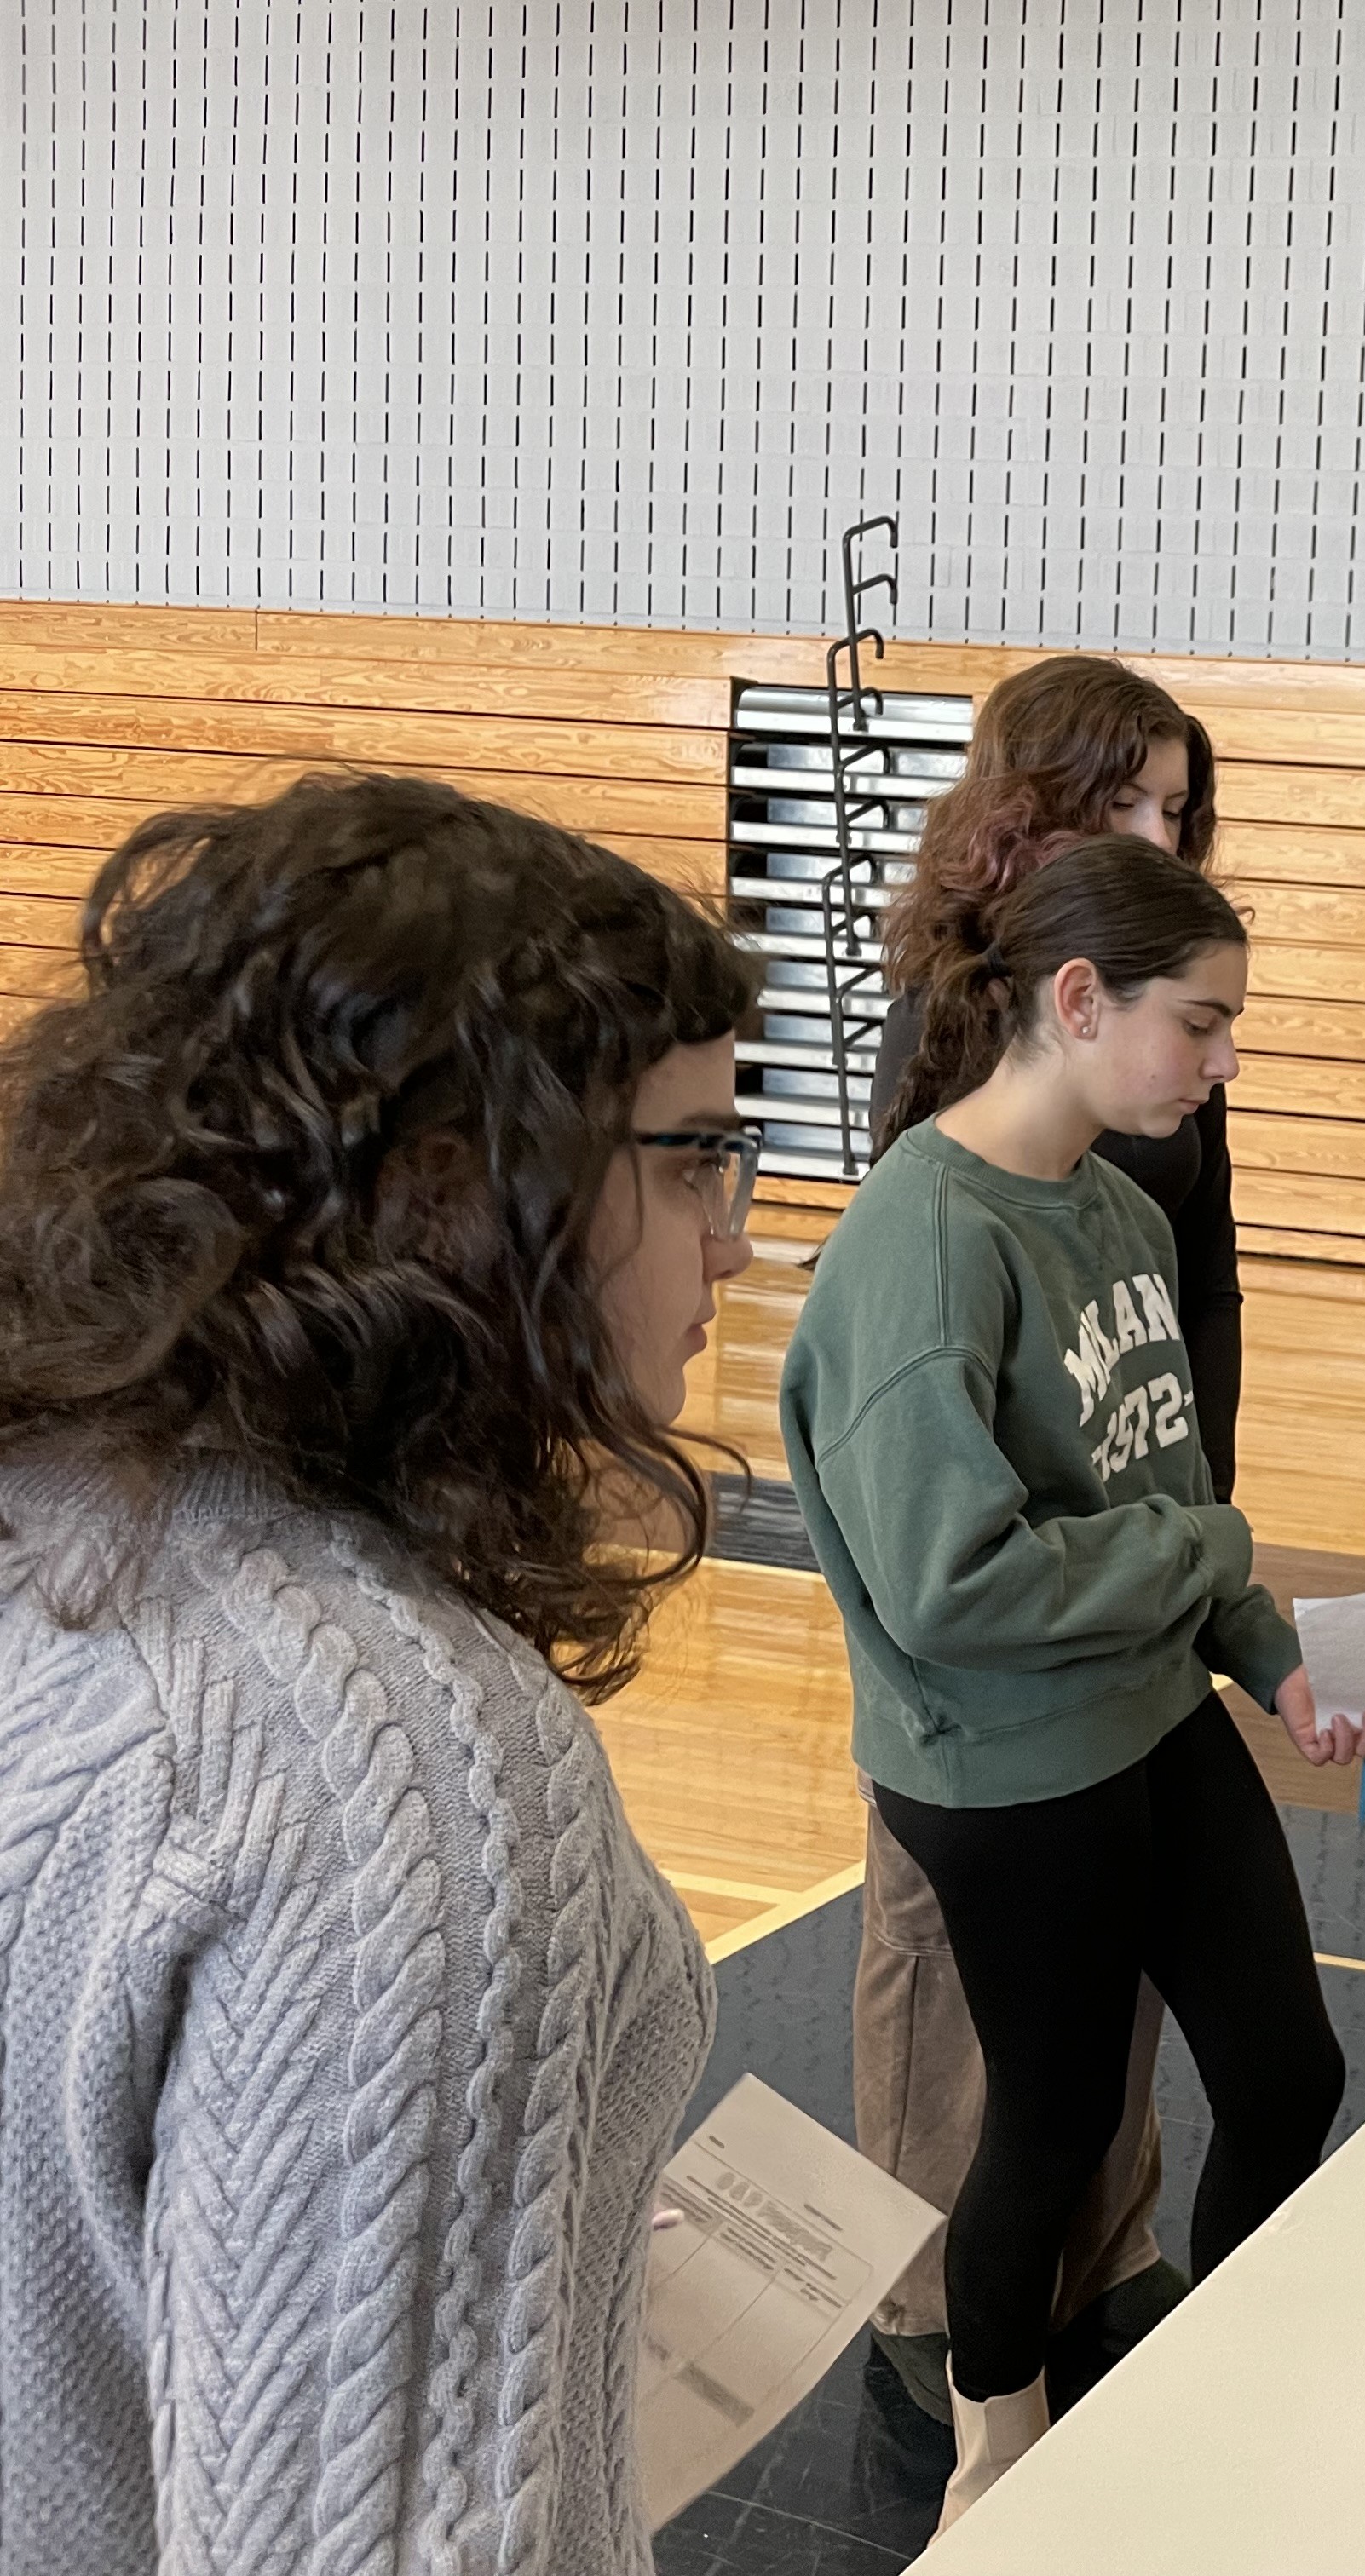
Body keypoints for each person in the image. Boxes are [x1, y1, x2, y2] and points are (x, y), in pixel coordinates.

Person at [0, 773, 759, 2569]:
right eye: (694, 1157)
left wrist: (435, 2227)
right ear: (447, 1190)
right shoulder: (413, 1781)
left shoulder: (50, 1528)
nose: (736, 1233)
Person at [781, 839, 1365, 2529]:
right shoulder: (923, 1239)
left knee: (1289, 2075)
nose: (1223, 1061)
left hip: (1156, 1717)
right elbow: (952, 1584)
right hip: (1003, 1763)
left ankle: (1219, 2383)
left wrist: (1270, 1654)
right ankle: (994, 2448)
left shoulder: (1120, 1211)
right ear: (1076, 1001)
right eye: (1202, 1021)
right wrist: (1206, 1556)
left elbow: (1161, 1485)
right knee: (1046, 2132)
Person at [857, 654, 1232, 2422]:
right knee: (955, 1965)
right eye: (1129, 802)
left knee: (1117, 1954)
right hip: (1001, 1614)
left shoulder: (1170, 1017)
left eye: (1179, 808)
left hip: (1134, 1543)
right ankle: (932, 2289)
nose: (1163, 833)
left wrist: (1198, 1519)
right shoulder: (962, 1035)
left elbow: (1194, 1283)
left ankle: (1100, 2242)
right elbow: (935, 1388)